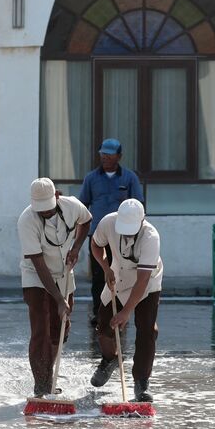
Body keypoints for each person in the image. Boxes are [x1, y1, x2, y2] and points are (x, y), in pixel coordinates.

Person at [17, 178, 91, 397]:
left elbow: (86, 220)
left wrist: (76, 247)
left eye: (48, 209)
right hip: (36, 277)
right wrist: (59, 299)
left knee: (60, 330)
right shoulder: (26, 220)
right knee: (41, 329)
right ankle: (42, 385)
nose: (45, 213)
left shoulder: (72, 206)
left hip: (64, 273)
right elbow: (38, 263)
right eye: (41, 210)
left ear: (57, 196)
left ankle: (48, 374)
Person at [89, 199, 163, 402]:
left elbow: (143, 280)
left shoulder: (151, 237)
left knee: (147, 330)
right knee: (104, 325)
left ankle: (141, 384)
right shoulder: (108, 222)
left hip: (147, 284)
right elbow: (95, 244)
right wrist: (105, 268)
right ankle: (109, 360)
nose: (127, 232)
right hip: (117, 275)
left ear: (143, 220)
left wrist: (126, 311)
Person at [79, 138, 144, 325]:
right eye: (102, 153)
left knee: (124, 273)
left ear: (119, 156)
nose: (105, 157)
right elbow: (83, 205)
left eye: (109, 153)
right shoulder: (91, 178)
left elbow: (139, 204)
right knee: (100, 274)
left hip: (124, 233)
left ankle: (122, 311)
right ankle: (98, 312)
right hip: (98, 234)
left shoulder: (129, 178)